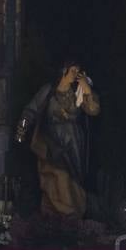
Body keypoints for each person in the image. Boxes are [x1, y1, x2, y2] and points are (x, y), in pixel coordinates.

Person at [16, 60, 100, 219]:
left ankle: (74, 215)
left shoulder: (78, 92)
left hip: (74, 145)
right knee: (57, 178)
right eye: (73, 70)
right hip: (51, 144)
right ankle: (59, 214)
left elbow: (93, 110)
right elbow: (30, 111)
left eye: (78, 71)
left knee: (73, 181)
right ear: (63, 71)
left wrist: (86, 87)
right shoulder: (48, 91)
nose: (76, 74)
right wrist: (22, 129)